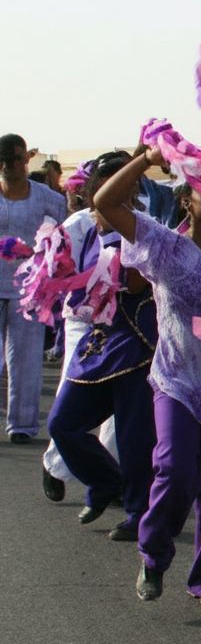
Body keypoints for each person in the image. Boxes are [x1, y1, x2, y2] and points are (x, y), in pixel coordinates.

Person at [94, 146, 201, 609]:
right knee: (175, 470)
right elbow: (107, 203)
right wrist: (147, 158)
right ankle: (153, 555)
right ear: (186, 200)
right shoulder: (165, 245)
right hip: (178, 379)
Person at [47, 153, 157, 542]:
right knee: (62, 424)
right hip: (94, 342)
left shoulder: (144, 227)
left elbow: (138, 283)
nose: (118, 190)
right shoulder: (81, 226)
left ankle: (138, 514)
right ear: (95, 188)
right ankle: (105, 482)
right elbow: (64, 280)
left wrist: (117, 244)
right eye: (108, 181)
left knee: (134, 439)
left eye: (124, 183)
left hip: (138, 346)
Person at [0, 134, 68, 446]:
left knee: (25, 360)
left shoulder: (47, 198)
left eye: (14, 158)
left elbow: (64, 237)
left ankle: (23, 424)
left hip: (28, 290)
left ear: (26, 159)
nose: (8, 166)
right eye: (2, 160)